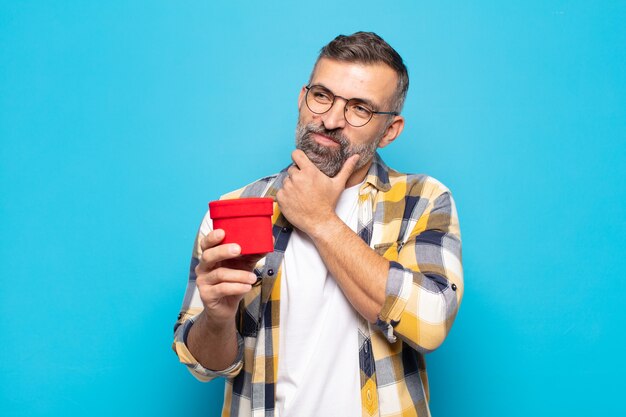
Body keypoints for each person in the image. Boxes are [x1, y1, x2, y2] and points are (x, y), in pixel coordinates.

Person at [173, 32, 463, 417]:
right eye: (322, 96)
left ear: (390, 130)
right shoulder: (235, 207)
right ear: (301, 97)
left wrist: (320, 221)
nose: (329, 120)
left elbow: (430, 324)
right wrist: (217, 319)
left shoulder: (422, 200)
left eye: (360, 108)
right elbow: (206, 366)